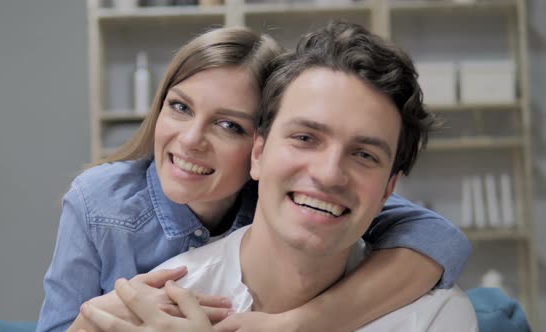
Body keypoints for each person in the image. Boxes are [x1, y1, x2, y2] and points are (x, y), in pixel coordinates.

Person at [37, 24, 471, 332]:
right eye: (180, 107)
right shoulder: (101, 203)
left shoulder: (294, 198)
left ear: (254, 151)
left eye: (229, 126)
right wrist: (93, 320)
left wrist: (298, 325)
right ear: (263, 154)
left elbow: (441, 237)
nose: (190, 140)